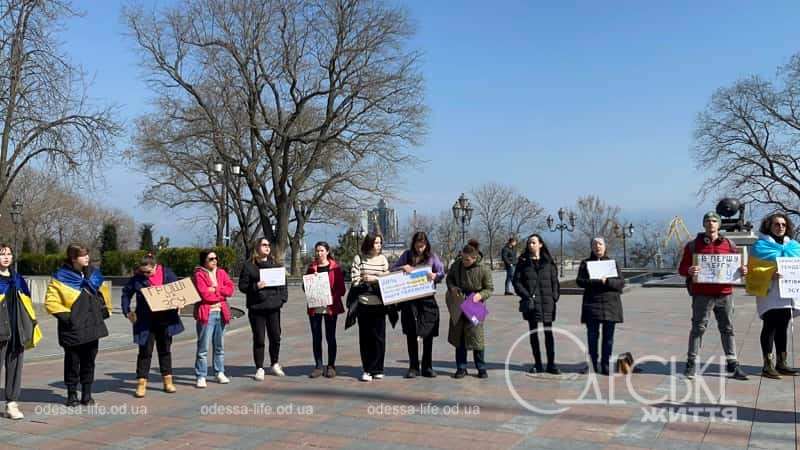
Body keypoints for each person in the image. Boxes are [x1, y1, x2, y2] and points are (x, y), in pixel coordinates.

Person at [678, 211, 748, 380]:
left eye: (714, 221)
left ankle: (733, 364)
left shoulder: (729, 244)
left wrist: (743, 270)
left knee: (727, 328)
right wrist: (689, 270)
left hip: (725, 294)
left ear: (719, 225)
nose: (711, 224)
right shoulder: (693, 246)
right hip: (702, 294)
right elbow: (681, 269)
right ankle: (691, 363)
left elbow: (738, 267)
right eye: (708, 221)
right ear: (703, 224)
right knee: (698, 328)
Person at [45, 244, 112, 406]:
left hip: (93, 325)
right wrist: (70, 318)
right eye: (83, 255)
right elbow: (51, 302)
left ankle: (87, 395)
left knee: (89, 361)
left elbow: (104, 295)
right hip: (72, 329)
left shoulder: (94, 275)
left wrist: (103, 311)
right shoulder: (60, 277)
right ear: (73, 258)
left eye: (87, 254)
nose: (87, 258)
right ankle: (72, 394)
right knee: (72, 362)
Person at [746, 212, 800, 379]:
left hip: (787, 293)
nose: (780, 227)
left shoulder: (794, 246)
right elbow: (752, 270)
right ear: (769, 226)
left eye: (783, 224)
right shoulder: (760, 246)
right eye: (776, 224)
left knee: (783, 325)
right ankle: (767, 365)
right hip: (769, 292)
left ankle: (781, 362)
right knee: (770, 326)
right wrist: (770, 274)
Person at [121, 254, 184, 398]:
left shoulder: (168, 275)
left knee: (165, 350)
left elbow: (179, 291)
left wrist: (180, 302)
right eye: (143, 272)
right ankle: (141, 383)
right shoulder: (138, 278)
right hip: (145, 321)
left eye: (148, 272)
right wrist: (127, 311)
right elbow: (126, 293)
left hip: (165, 320)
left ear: (156, 266)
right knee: (145, 352)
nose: (145, 275)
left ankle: (168, 381)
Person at [391, 232, 445, 378]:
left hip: (427, 300)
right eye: (417, 245)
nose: (420, 248)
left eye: (423, 245)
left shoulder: (432, 257)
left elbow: (441, 272)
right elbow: (392, 269)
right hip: (410, 301)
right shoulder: (407, 255)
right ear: (413, 244)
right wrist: (403, 267)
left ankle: (427, 366)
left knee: (429, 333)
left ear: (426, 244)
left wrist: (435, 276)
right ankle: (413, 367)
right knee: (411, 333)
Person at [0, 243, 42, 419]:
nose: (6, 257)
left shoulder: (18, 279)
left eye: (9, 253)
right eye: (2, 254)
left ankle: (11, 403)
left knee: (15, 367)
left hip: (17, 330)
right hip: (0, 330)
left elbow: (27, 303)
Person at [239, 238, 288, 381]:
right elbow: (242, 286)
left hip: (273, 307)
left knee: (275, 337)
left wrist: (282, 300)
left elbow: (283, 285)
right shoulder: (249, 266)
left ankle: (274, 363)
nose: (267, 247)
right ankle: (259, 367)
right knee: (259, 338)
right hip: (257, 307)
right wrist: (255, 287)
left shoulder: (276, 264)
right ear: (257, 247)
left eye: (268, 245)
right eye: (264, 245)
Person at [512, 234, 560, 375]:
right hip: (531, 303)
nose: (530, 245)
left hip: (547, 302)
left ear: (540, 244)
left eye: (533, 242)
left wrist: (555, 296)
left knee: (548, 333)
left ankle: (551, 364)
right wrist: (526, 295)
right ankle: (538, 364)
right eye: (529, 243)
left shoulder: (548, 262)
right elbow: (516, 282)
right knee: (533, 333)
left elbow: (554, 281)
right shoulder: (523, 262)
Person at [575, 237, 624, 375]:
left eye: (600, 244)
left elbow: (621, 283)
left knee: (608, 337)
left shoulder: (612, 263)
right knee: (592, 336)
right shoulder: (585, 263)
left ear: (605, 246)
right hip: (592, 304)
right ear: (591, 247)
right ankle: (592, 363)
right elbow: (580, 281)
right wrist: (596, 281)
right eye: (595, 244)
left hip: (610, 304)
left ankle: (605, 363)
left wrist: (607, 281)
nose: (598, 246)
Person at [446, 240, 493, 379]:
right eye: (462, 258)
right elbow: (449, 279)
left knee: (477, 338)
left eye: (467, 259)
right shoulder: (457, 265)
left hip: (475, 304)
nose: (464, 261)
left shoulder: (483, 269)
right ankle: (461, 367)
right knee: (459, 337)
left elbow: (489, 289)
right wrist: (453, 288)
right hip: (459, 302)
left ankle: (481, 367)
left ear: (474, 257)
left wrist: (480, 295)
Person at [193, 249, 235, 387]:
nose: (214, 260)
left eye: (215, 258)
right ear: (204, 261)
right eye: (211, 259)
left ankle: (219, 372)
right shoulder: (199, 274)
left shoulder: (221, 272)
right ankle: (201, 375)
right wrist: (220, 291)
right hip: (207, 314)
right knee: (203, 347)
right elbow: (204, 295)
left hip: (221, 313)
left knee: (219, 346)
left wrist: (215, 289)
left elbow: (230, 289)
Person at [351, 233, 390, 382]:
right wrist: (365, 282)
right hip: (364, 304)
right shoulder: (359, 259)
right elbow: (355, 280)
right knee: (366, 337)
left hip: (380, 304)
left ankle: (378, 368)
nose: (378, 245)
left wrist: (374, 279)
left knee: (379, 337)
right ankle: (367, 369)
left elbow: (388, 277)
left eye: (380, 243)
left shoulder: (383, 260)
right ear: (369, 244)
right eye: (376, 243)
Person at [304, 241, 346, 378]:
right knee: (316, 337)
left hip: (330, 307)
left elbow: (342, 289)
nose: (319, 253)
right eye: (317, 251)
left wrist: (331, 295)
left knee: (330, 337)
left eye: (322, 250)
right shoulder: (311, 268)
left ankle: (331, 365)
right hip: (315, 307)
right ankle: (318, 366)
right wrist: (311, 283)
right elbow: (305, 287)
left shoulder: (335, 268)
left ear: (327, 251)